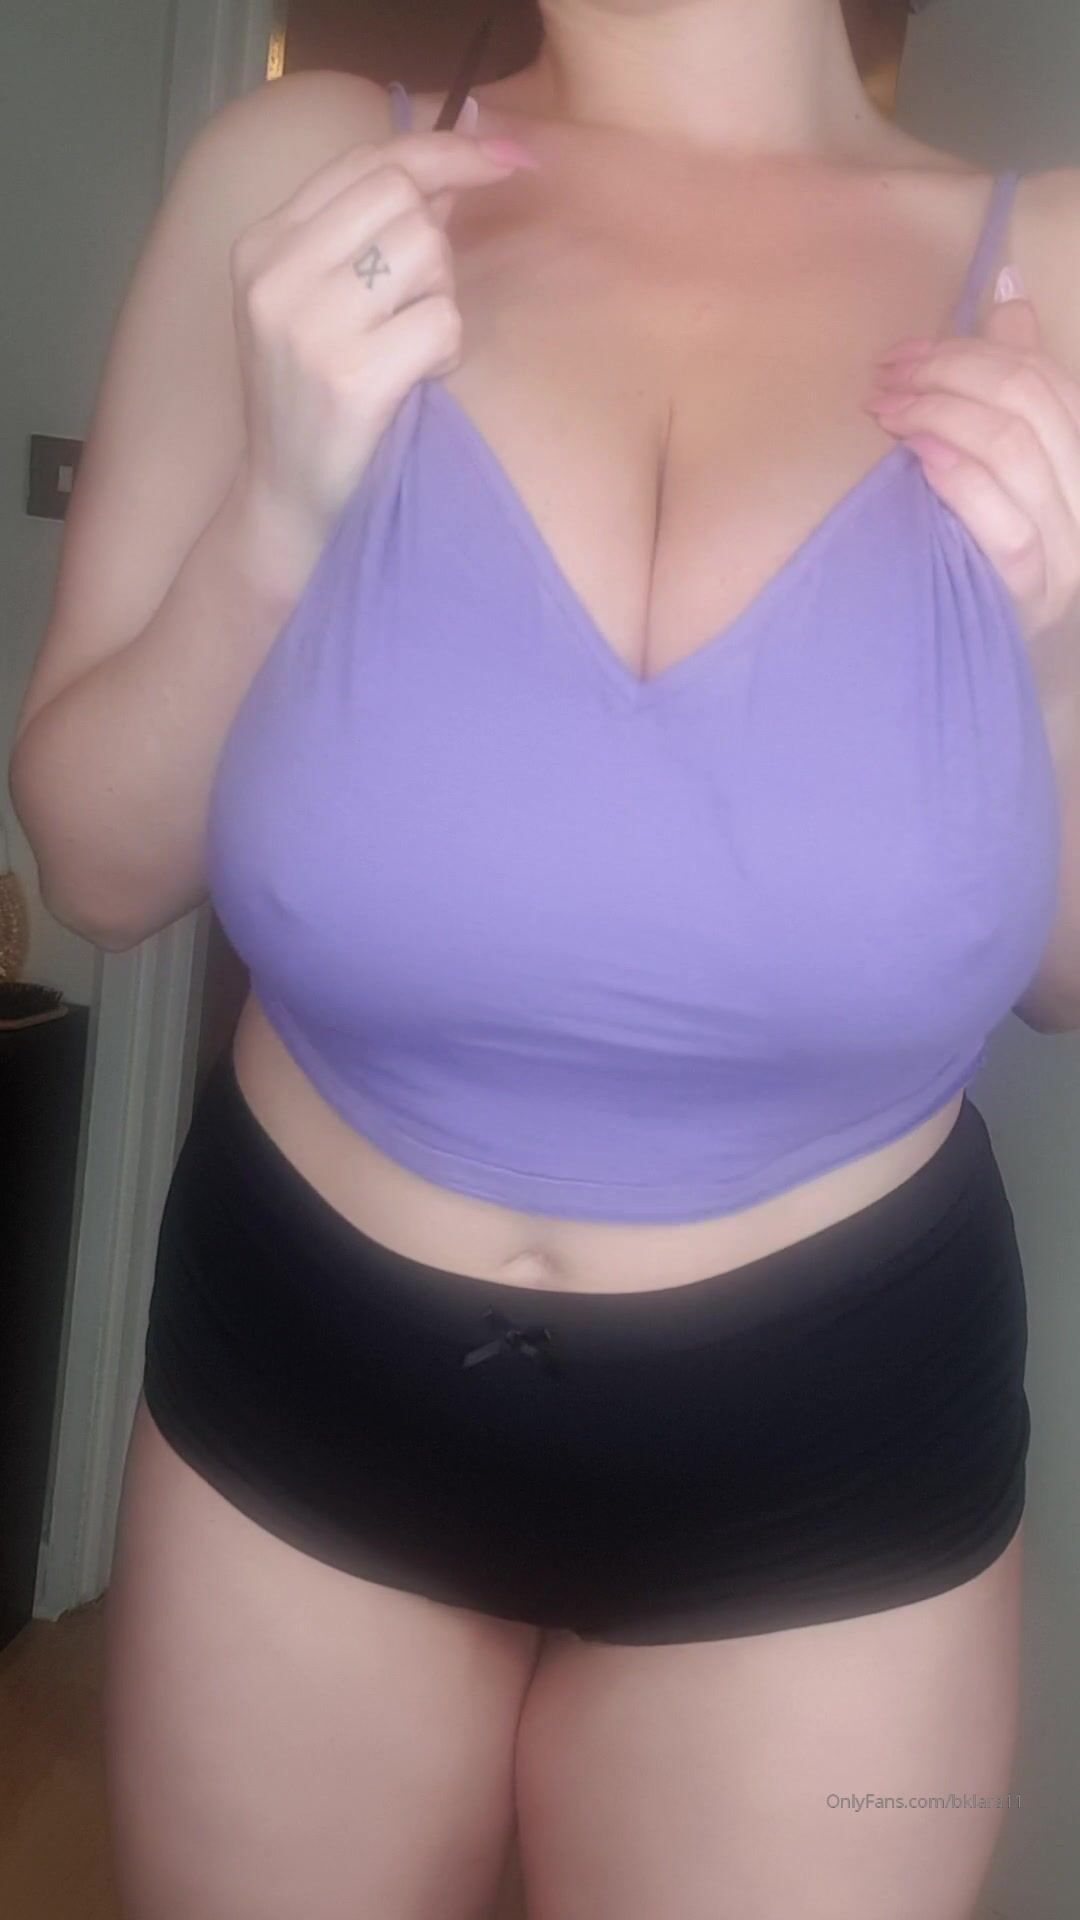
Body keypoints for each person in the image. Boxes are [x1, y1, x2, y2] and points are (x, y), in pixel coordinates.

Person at [9, 3, 1080, 1916]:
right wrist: (279, 514)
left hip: (835, 1457)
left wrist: (1054, 664)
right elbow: (95, 861)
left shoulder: (1060, 269)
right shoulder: (306, 174)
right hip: (303, 1388)